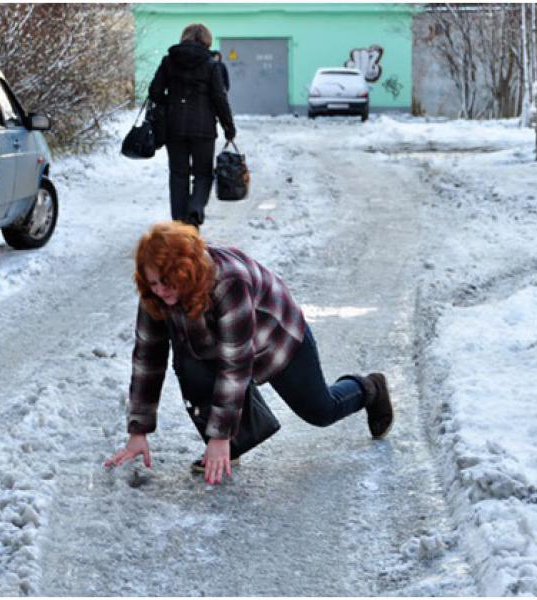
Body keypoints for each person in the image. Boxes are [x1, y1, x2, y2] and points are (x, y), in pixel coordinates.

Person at [104, 221, 394, 485]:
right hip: (216, 343)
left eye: (167, 282)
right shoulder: (155, 294)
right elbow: (147, 358)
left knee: (321, 411)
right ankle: (232, 442)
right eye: (153, 282)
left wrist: (218, 436)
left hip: (274, 338)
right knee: (190, 362)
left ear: (185, 270)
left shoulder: (229, 281)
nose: (160, 291)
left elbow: (236, 364)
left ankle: (370, 388)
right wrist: (138, 431)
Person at [149, 24, 236, 229]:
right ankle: (195, 209)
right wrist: (228, 127)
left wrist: (168, 105)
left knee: (178, 174)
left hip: (174, 127)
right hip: (204, 128)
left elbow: (155, 91)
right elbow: (219, 97)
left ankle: (179, 223)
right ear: (207, 40)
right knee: (203, 173)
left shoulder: (169, 61)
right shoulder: (211, 65)